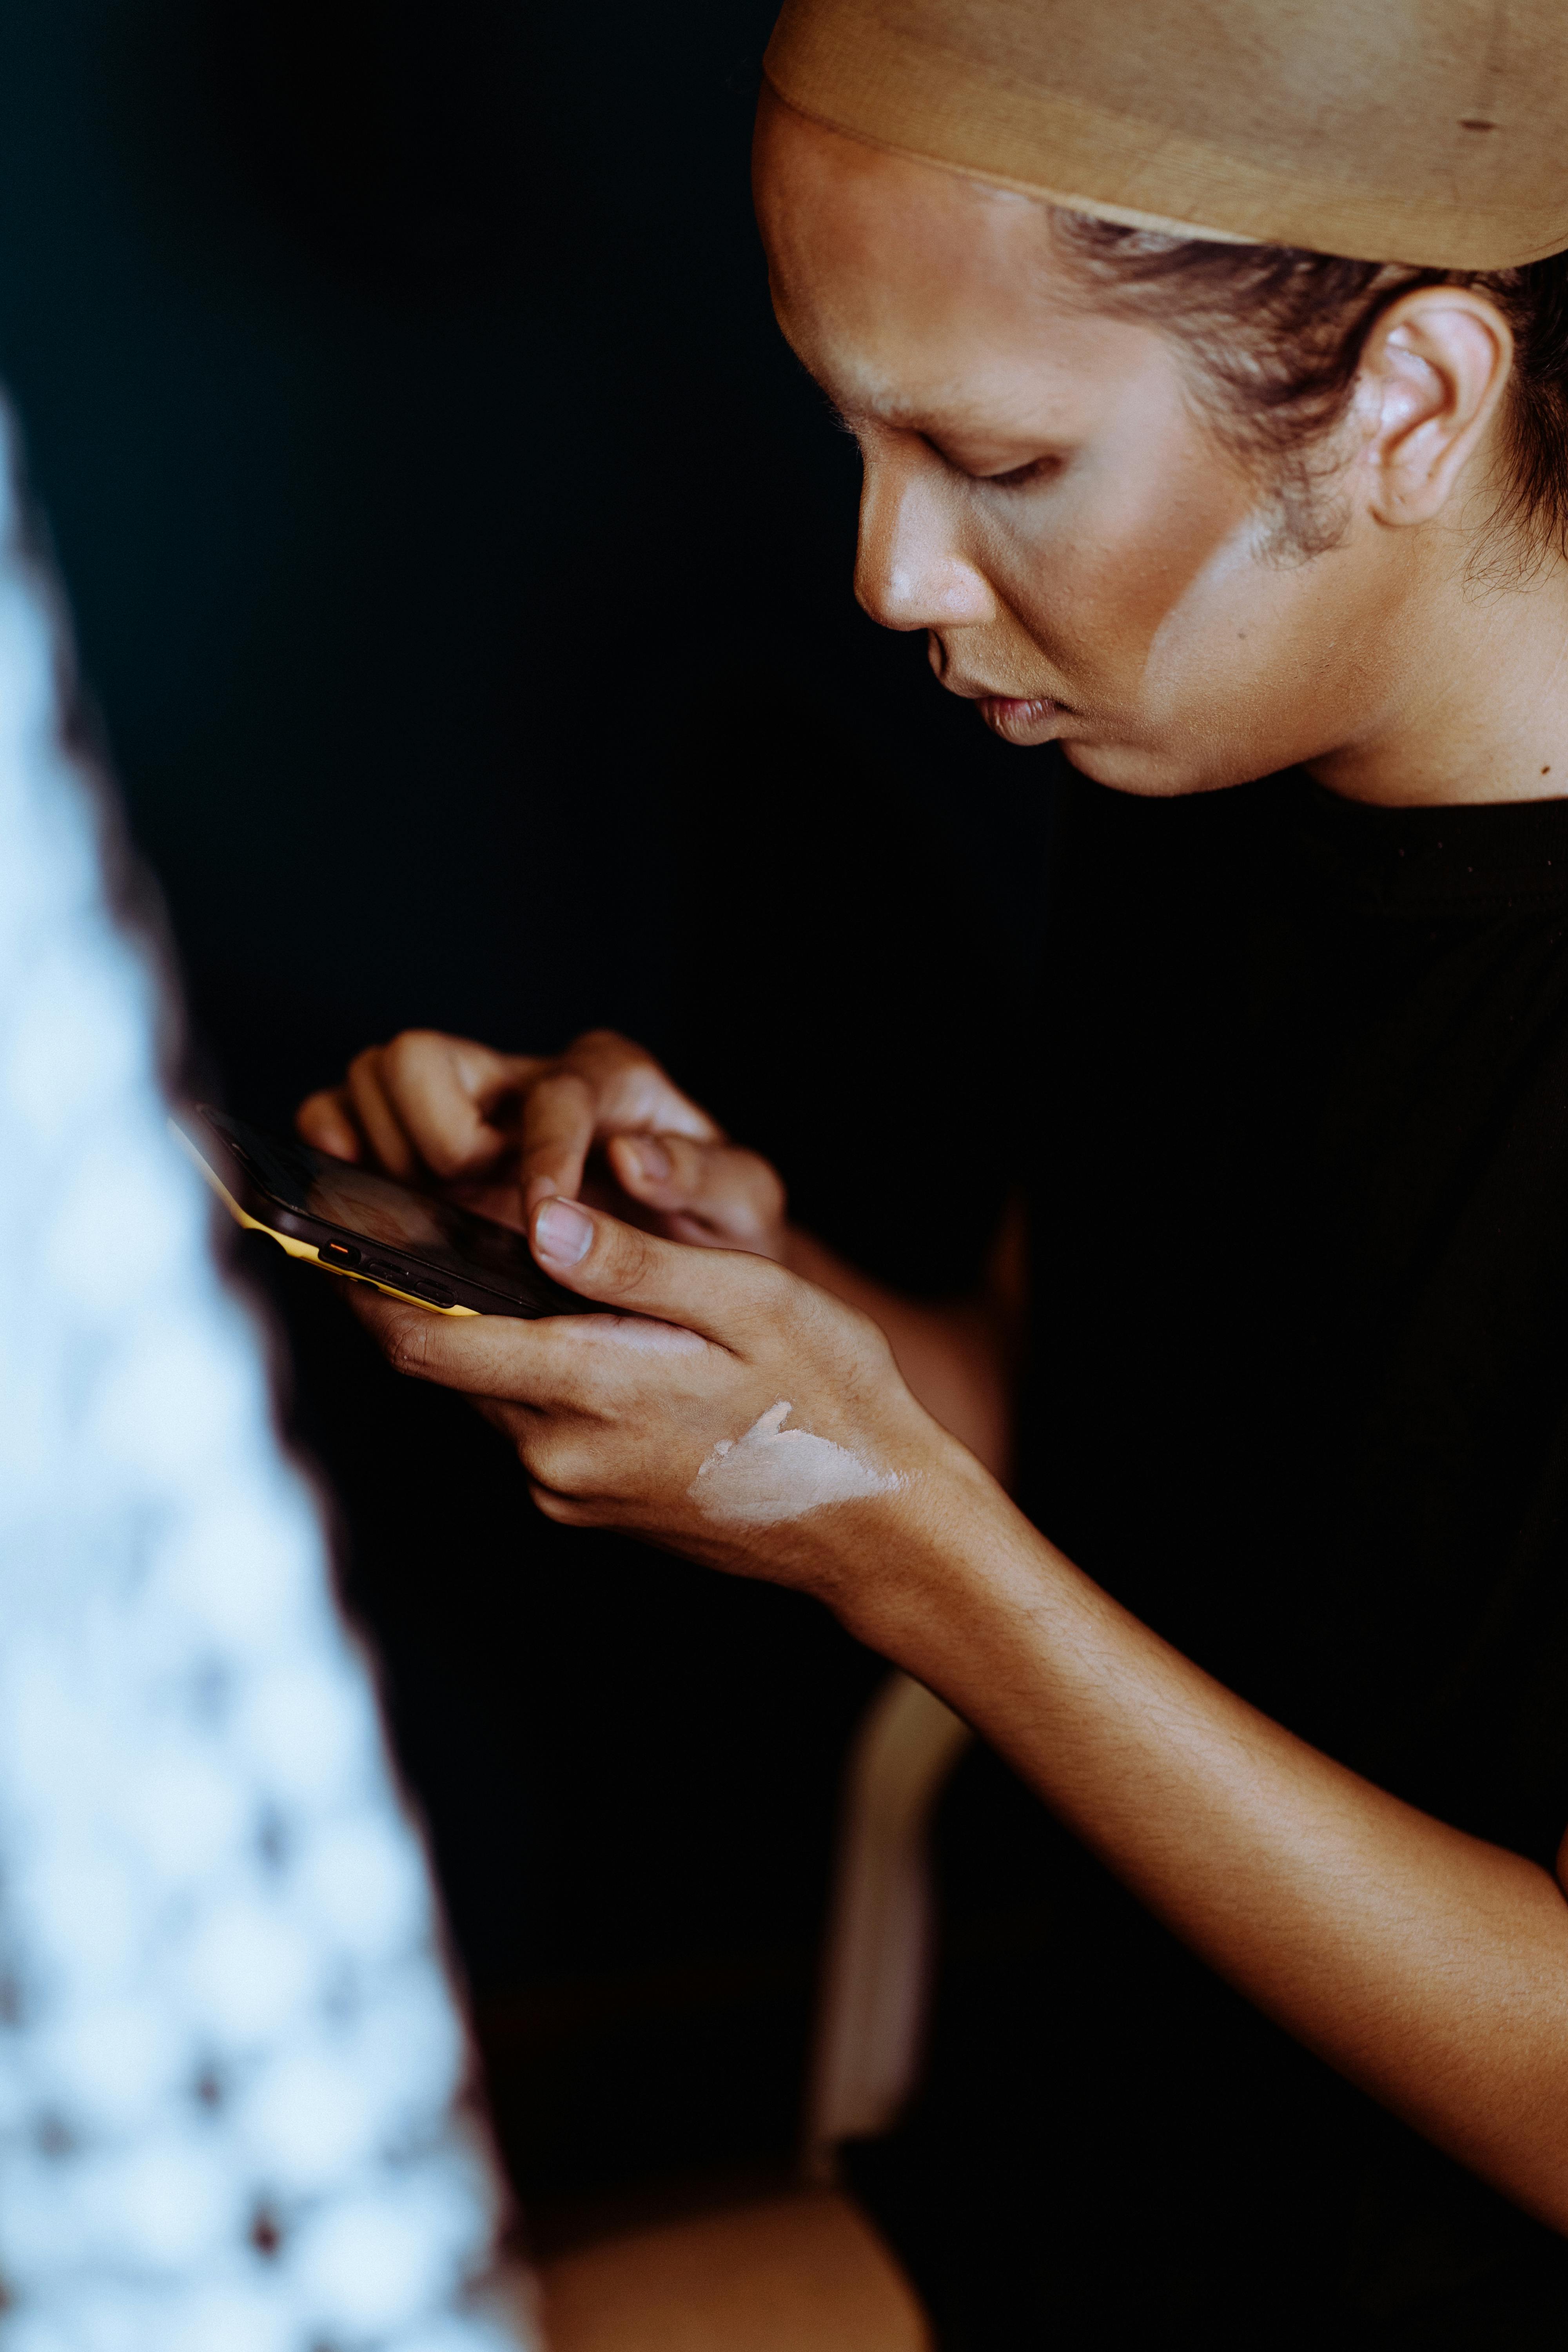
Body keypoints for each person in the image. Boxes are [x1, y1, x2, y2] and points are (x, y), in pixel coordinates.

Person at [298, 2, 1568, 2341]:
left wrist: (902, 1555)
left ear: (1414, 404)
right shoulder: (1198, 760)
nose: (889, 573)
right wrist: (735, 1294)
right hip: (1155, 2174)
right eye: (853, 433)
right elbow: (1099, 1452)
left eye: (991, 455)